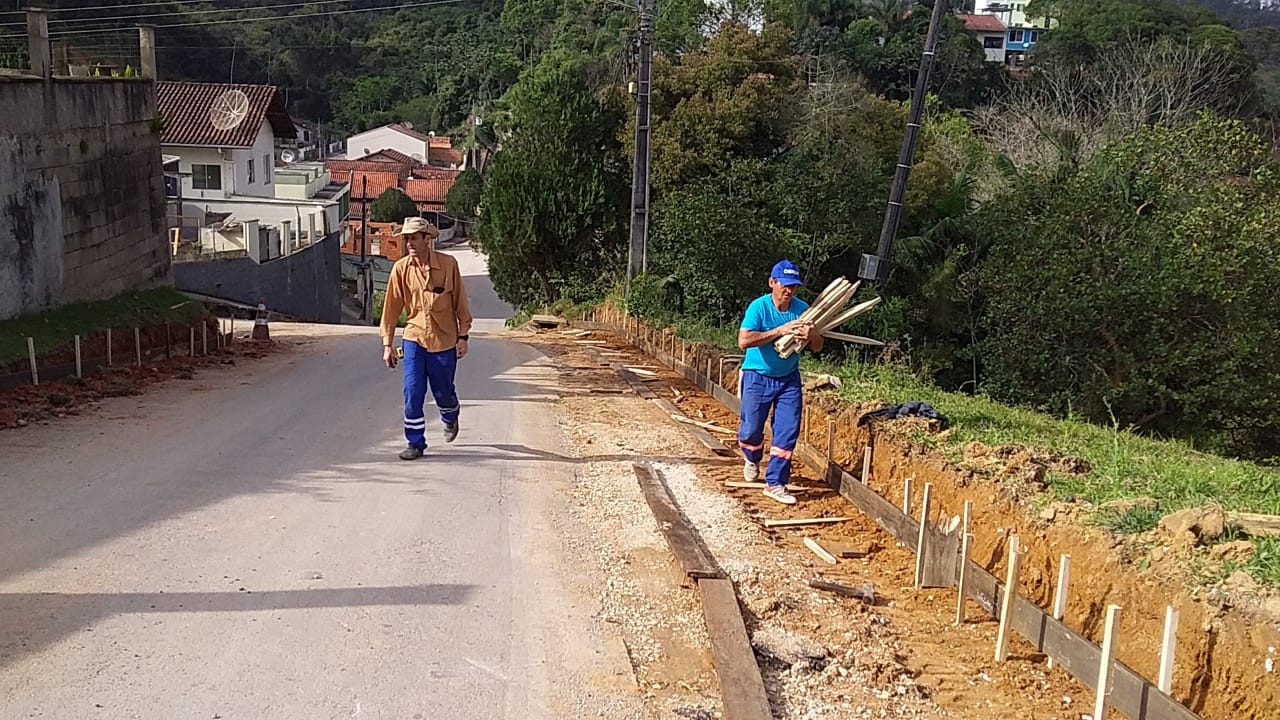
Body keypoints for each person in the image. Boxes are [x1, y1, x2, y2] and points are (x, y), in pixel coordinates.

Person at [379, 217, 474, 460]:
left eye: (413, 238)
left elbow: (460, 303)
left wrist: (463, 336)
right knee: (412, 391)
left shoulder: (448, 265)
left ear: (427, 240)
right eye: (406, 239)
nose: (409, 243)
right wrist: (388, 345)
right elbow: (391, 309)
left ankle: (450, 416)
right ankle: (415, 443)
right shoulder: (400, 269)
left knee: (443, 392)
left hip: (444, 340)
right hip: (414, 338)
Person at [736, 259, 822, 505]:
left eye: (794, 286)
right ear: (772, 283)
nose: (789, 290)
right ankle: (752, 457)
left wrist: (812, 335)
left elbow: (817, 347)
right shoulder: (759, 308)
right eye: (785, 285)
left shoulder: (803, 309)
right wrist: (780, 331)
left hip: (788, 379)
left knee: (787, 431)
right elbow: (744, 341)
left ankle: (776, 483)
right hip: (757, 376)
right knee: (751, 428)